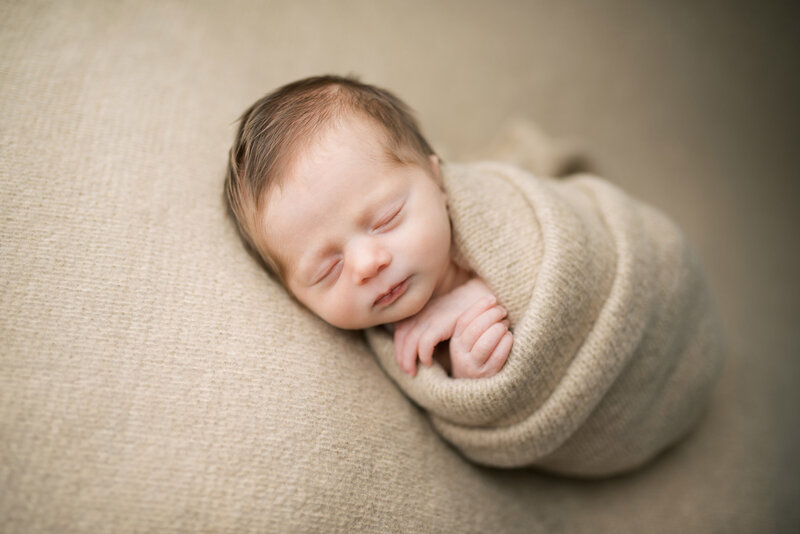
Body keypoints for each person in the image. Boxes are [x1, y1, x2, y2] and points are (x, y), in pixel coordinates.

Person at [225, 75, 513, 379]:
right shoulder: (385, 354)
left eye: (386, 219)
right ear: (296, 296)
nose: (366, 265)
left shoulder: (498, 210)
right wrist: (468, 376)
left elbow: (558, 244)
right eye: (328, 269)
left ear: (436, 180)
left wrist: (485, 295)